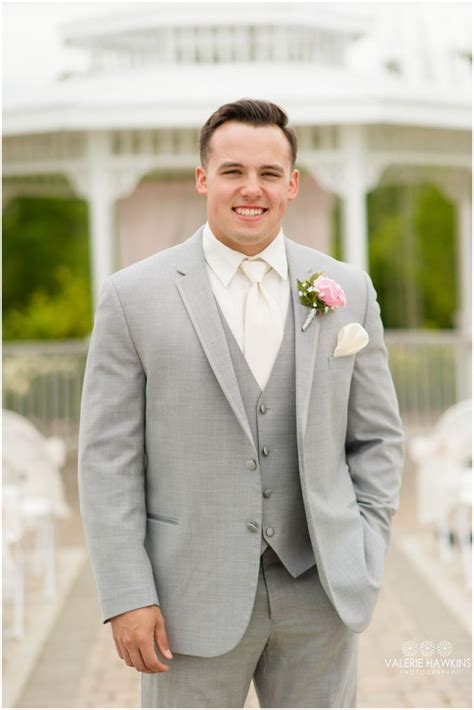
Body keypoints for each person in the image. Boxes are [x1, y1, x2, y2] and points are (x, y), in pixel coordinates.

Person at [78, 98, 405, 708]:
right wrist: (127, 594)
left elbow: (378, 438)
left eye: (268, 174)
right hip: (184, 600)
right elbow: (106, 462)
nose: (250, 189)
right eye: (232, 171)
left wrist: (363, 549)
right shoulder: (132, 296)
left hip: (321, 592)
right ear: (203, 178)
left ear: (293, 184)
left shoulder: (346, 290)